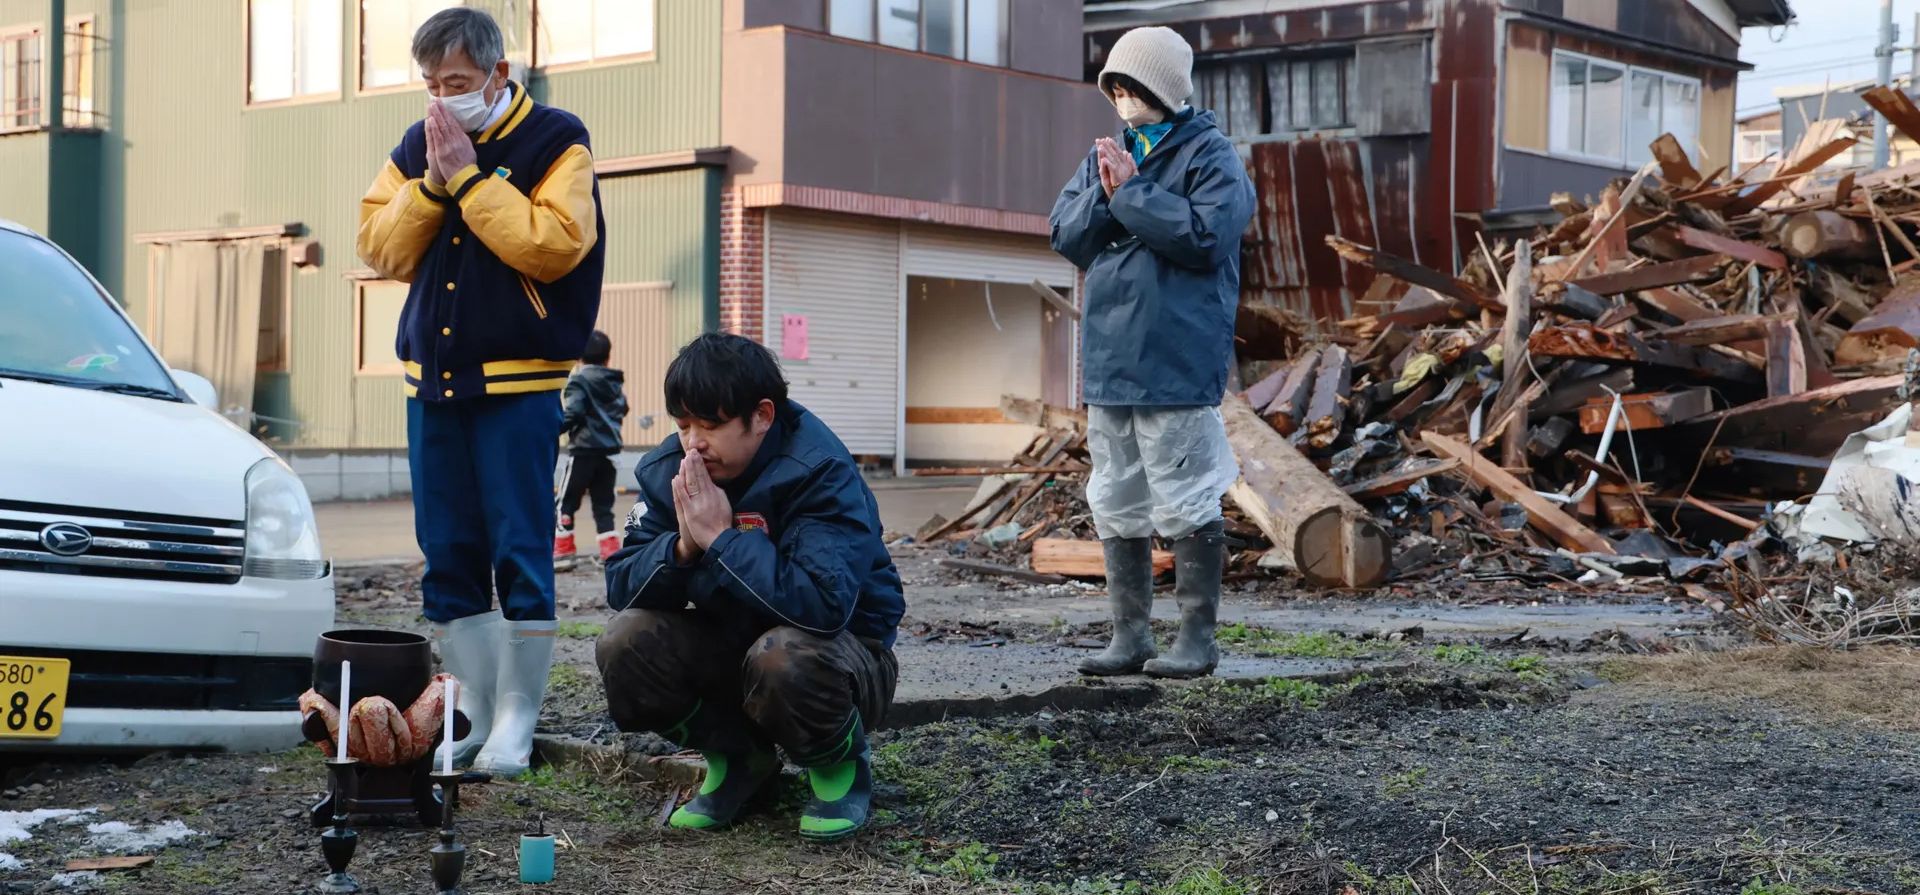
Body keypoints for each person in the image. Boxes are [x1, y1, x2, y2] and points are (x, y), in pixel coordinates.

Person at [354, 7, 606, 778]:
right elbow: (378, 245)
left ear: (501, 73)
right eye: (431, 83)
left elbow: (557, 244)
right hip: (431, 384)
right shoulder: (416, 145)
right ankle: (474, 711)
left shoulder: (557, 139)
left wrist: (468, 178)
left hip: (518, 386)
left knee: (521, 550)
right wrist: (431, 184)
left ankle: (519, 720)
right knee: (449, 552)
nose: (442, 97)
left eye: (457, 82)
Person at [595, 333, 904, 843]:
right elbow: (621, 585)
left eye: (711, 425)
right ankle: (739, 759)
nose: (693, 442)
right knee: (624, 642)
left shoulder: (819, 471)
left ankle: (838, 766)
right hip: (734, 646)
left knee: (782, 656)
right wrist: (683, 548)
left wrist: (722, 538)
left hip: (842, 659)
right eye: (683, 425)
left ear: (761, 416)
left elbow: (823, 607)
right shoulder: (667, 469)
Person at [1047, 26, 1256, 680]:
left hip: (1177, 360)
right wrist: (1117, 194)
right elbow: (1066, 232)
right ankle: (1129, 634)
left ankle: (1197, 638)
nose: (1121, 98)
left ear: (1163, 88)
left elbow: (1205, 236)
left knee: (1188, 494)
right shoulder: (1107, 154)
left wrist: (1130, 193)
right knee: (1116, 494)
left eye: (1132, 86)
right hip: (1111, 363)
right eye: (1114, 86)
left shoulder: (1210, 156)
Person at [555, 330, 629, 569]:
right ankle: (610, 552)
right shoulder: (615, 382)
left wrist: (554, 429)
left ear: (579, 357)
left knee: (566, 501)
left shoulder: (579, 380)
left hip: (584, 451)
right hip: (610, 453)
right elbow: (623, 408)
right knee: (603, 504)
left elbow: (574, 412)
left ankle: (563, 550)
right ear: (607, 358)